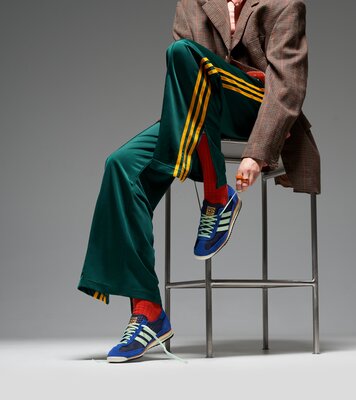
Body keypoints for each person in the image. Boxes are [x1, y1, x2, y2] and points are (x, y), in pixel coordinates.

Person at [77, 0, 320, 363]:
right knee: (121, 166)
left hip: (256, 107)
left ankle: (216, 196)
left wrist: (256, 152)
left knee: (184, 54)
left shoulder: (284, 4)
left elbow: (287, 86)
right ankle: (147, 310)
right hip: (204, 108)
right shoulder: (191, 4)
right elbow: (186, 79)